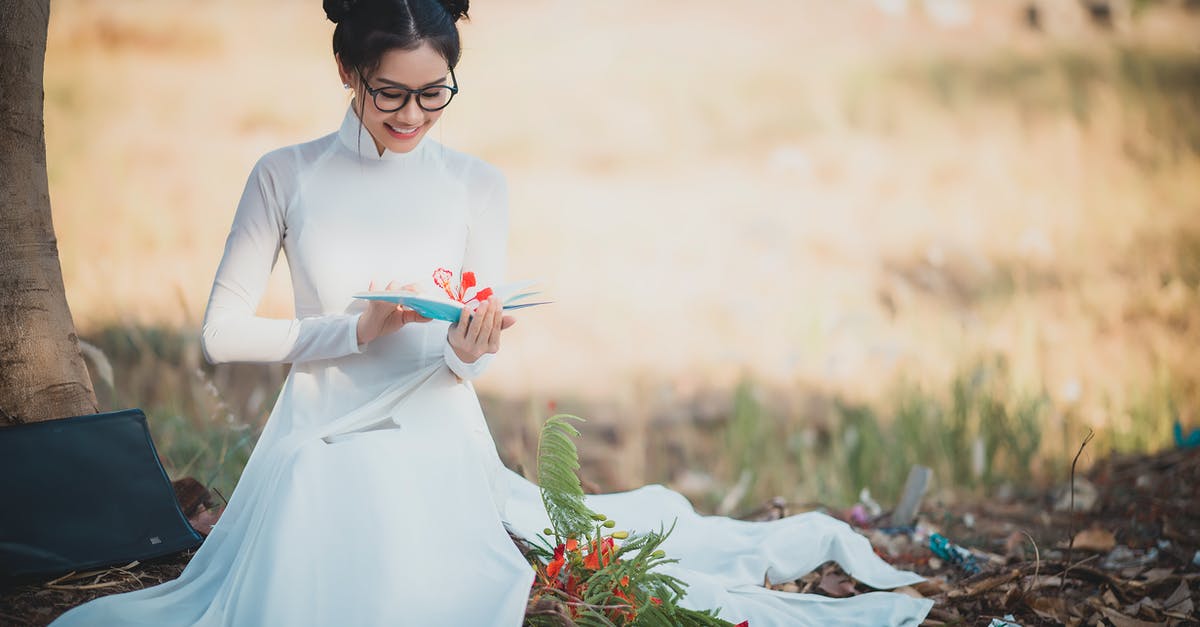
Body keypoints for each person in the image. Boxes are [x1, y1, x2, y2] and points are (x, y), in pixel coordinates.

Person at [52, 1, 933, 625]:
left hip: (439, 430)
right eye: (390, 92)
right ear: (347, 71)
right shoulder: (287, 174)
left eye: (435, 92)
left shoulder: (477, 183)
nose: (412, 115)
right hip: (319, 435)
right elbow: (222, 331)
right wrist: (347, 332)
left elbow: (474, 341)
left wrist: (469, 350)